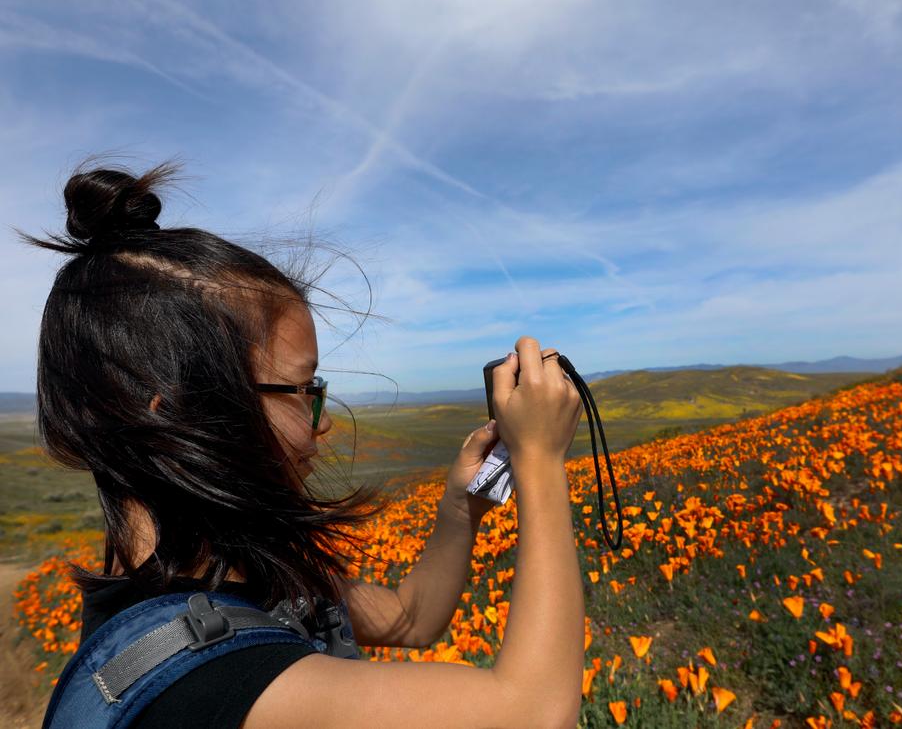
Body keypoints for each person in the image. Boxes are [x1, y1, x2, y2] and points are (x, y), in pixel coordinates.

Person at [21, 161, 586, 729]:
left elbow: (408, 618)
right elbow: (534, 714)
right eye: (302, 388)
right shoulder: (206, 687)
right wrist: (540, 460)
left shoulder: (245, 574)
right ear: (181, 414)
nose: (323, 424)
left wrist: (463, 505)